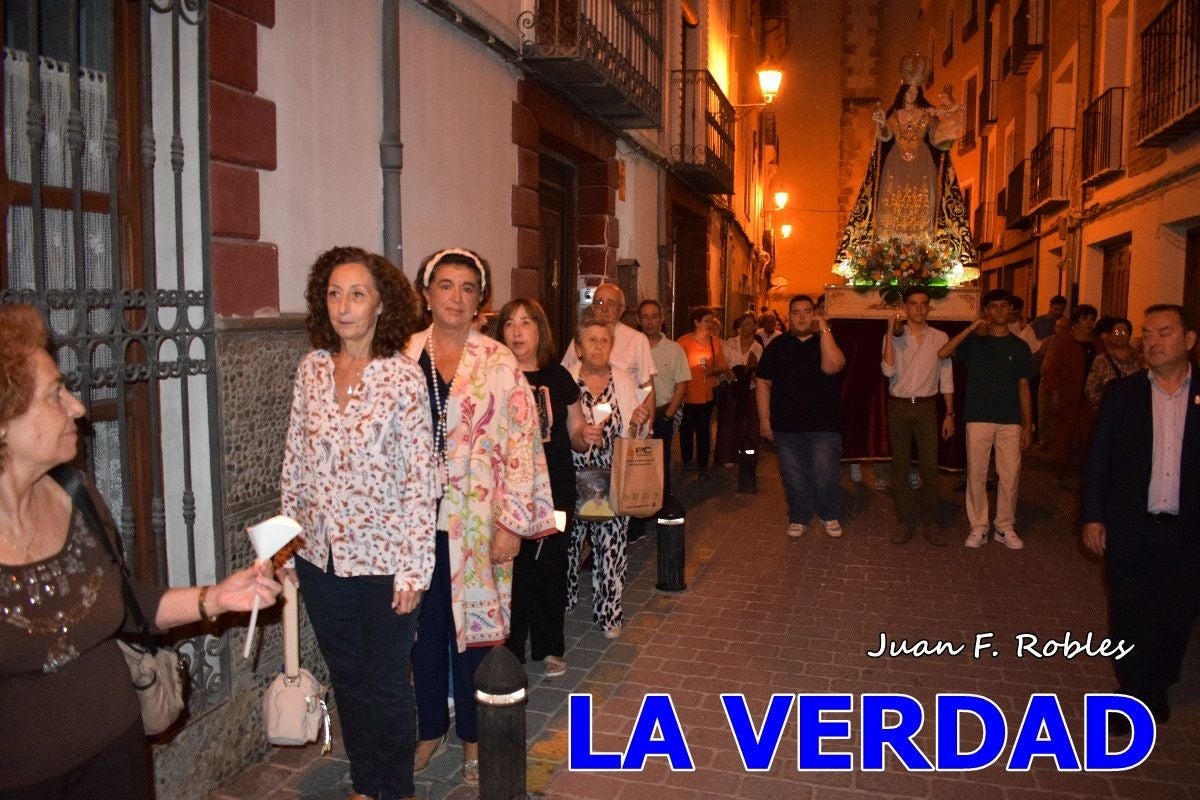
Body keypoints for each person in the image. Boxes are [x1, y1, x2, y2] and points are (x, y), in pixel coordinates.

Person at [0, 304, 281, 800]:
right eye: (54, 395)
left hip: (118, 752)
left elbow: (125, 600)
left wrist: (215, 598)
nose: (78, 408)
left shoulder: (75, 494)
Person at [279, 246, 434, 800]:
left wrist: (415, 570)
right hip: (320, 560)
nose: (344, 306)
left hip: (386, 562)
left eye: (357, 294)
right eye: (334, 294)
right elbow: (294, 462)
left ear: (380, 304)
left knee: (388, 682)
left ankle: (394, 788)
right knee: (348, 678)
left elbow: (421, 480)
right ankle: (366, 783)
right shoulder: (312, 370)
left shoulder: (402, 378)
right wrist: (287, 548)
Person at [405, 248, 556, 786]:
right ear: (427, 294)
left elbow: (523, 445)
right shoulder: (400, 356)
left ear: (479, 301)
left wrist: (512, 523)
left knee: (476, 633)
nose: (456, 297)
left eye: (468, 288)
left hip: (479, 521)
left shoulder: (499, 362)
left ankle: (473, 735)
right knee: (421, 632)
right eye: (445, 285)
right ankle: (428, 729)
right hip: (414, 524)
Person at [1083, 304, 1199, 731]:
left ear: (1189, 340)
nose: (1152, 341)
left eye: (1164, 332)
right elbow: (1099, 459)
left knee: (1176, 612)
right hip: (1132, 526)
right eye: (1147, 333)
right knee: (1128, 613)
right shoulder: (1123, 394)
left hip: (1187, 532)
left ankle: (1159, 684)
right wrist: (1093, 515)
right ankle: (1133, 692)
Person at [497, 298, 582, 679]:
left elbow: (576, 436)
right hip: (509, 494)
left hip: (557, 490)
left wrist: (587, 435)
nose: (517, 330)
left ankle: (550, 647)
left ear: (540, 331)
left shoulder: (559, 377)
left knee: (551, 565)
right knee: (512, 573)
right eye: (510, 323)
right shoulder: (493, 377)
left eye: (526, 322)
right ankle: (511, 650)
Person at [566, 318, 651, 639]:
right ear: (578, 347)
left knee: (611, 548)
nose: (599, 345)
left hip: (613, 479)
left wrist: (641, 421)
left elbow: (638, 433)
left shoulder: (625, 381)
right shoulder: (567, 381)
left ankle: (609, 612)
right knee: (570, 545)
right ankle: (567, 595)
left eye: (604, 340)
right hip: (574, 479)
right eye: (591, 340)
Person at [938, 289, 1036, 550]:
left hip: (1010, 419)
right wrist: (971, 329)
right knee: (977, 473)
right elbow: (943, 353)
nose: (1000, 311)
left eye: (1005, 306)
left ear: (1011, 310)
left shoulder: (1020, 346)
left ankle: (1004, 526)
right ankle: (978, 526)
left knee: (1010, 474)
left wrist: (1028, 424)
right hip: (978, 416)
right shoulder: (975, 342)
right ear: (986, 311)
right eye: (994, 307)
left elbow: (1024, 387)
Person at [756, 294, 848, 539]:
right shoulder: (777, 346)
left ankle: (829, 514)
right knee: (793, 476)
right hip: (786, 426)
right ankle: (799, 516)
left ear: (815, 313)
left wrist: (824, 328)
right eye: (796, 312)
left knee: (824, 474)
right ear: (788, 317)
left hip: (824, 424)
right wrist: (765, 420)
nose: (802, 316)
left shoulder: (825, 341)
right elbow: (763, 381)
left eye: (807, 311)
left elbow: (833, 366)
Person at [880, 285, 954, 544]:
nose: (919, 308)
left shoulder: (940, 337)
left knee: (930, 467)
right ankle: (903, 521)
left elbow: (946, 377)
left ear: (929, 307)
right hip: (899, 406)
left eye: (923, 303)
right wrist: (890, 333)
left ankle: (931, 523)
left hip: (926, 407)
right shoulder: (895, 337)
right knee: (900, 467)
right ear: (906, 307)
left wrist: (949, 413)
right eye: (913, 303)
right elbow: (888, 371)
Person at [627, 299, 689, 543]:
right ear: (639, 320)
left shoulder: (674, 350)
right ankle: (639, 517)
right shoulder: (632, 348)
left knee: (661, 465)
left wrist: (667, 415)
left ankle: (662, 509)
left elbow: (682, 384)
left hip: (662, 412)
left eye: (654, 316)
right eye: (645, 317)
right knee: (637, 468)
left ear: (661, 318)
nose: (650, 321)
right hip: (636, 416)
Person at [562, 283, 655, 422]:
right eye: (599, 302)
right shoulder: (580, 339)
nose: (604, 308)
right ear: (593, 308)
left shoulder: (637, 340)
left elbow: (647, 387)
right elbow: (564, 375)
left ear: (621, 309)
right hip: (582, 421)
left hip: (624, 420)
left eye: (610, 303)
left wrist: (647, 429)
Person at [1041, 304, 1099, 483]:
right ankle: (1062, 471)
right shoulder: (1063, 344)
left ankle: (1085, 472)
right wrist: (1055, 393)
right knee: (1065, 436)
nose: (1089, 323)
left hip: (1091, 398)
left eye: (1091, 319)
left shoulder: (1099, 344)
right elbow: (1052, 370)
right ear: (1076, 322)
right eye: (1084, 319)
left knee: (1088, 436)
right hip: (1069, 396)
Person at [676, 307, 729, 479]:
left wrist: (714, 369)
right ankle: (686, 461)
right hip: (686, 393)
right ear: (696, 322)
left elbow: (722, 366)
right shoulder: (683, 342)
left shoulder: (715, 342)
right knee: (685, 430)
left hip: (707, 395)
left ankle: (703, 466)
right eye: (706, 320)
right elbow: (676, 367)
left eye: (711, 321)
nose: (709, 324)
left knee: (703, 431)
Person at [715, 311, 763, 466]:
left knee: (747, 423)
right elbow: (722, 363)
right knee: (728, 422)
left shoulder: (757, 348)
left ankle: (744, 454)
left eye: (750, 323)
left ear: (755, 326)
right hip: (731, 389)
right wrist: (728, 371)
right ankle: (725, 455)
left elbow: (759, 371)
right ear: (740, 326)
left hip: (749, 389)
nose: (746, 327)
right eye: (744, 323)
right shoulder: (730, 343)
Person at [1085, 317, 1140, 408]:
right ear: (1109, 335)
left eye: (1124, 332)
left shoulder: (1140, 359)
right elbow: (1090, 390)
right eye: (1116, 332)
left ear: (1130, 334)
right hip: (1109, 412)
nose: (1120, 335)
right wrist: (1110, 401)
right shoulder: (1101, 360)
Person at [1035, 315, 1072, 449]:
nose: (1060, 330)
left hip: (1064, 382)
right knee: (1044, 410)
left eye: (1063, 327)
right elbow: (1037, 358)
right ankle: (1044, 438)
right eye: (1057, 326)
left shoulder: (1072, 344)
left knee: (1062, 411)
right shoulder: (1047, 342)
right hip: (1046, 381)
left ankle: (1060, 440)